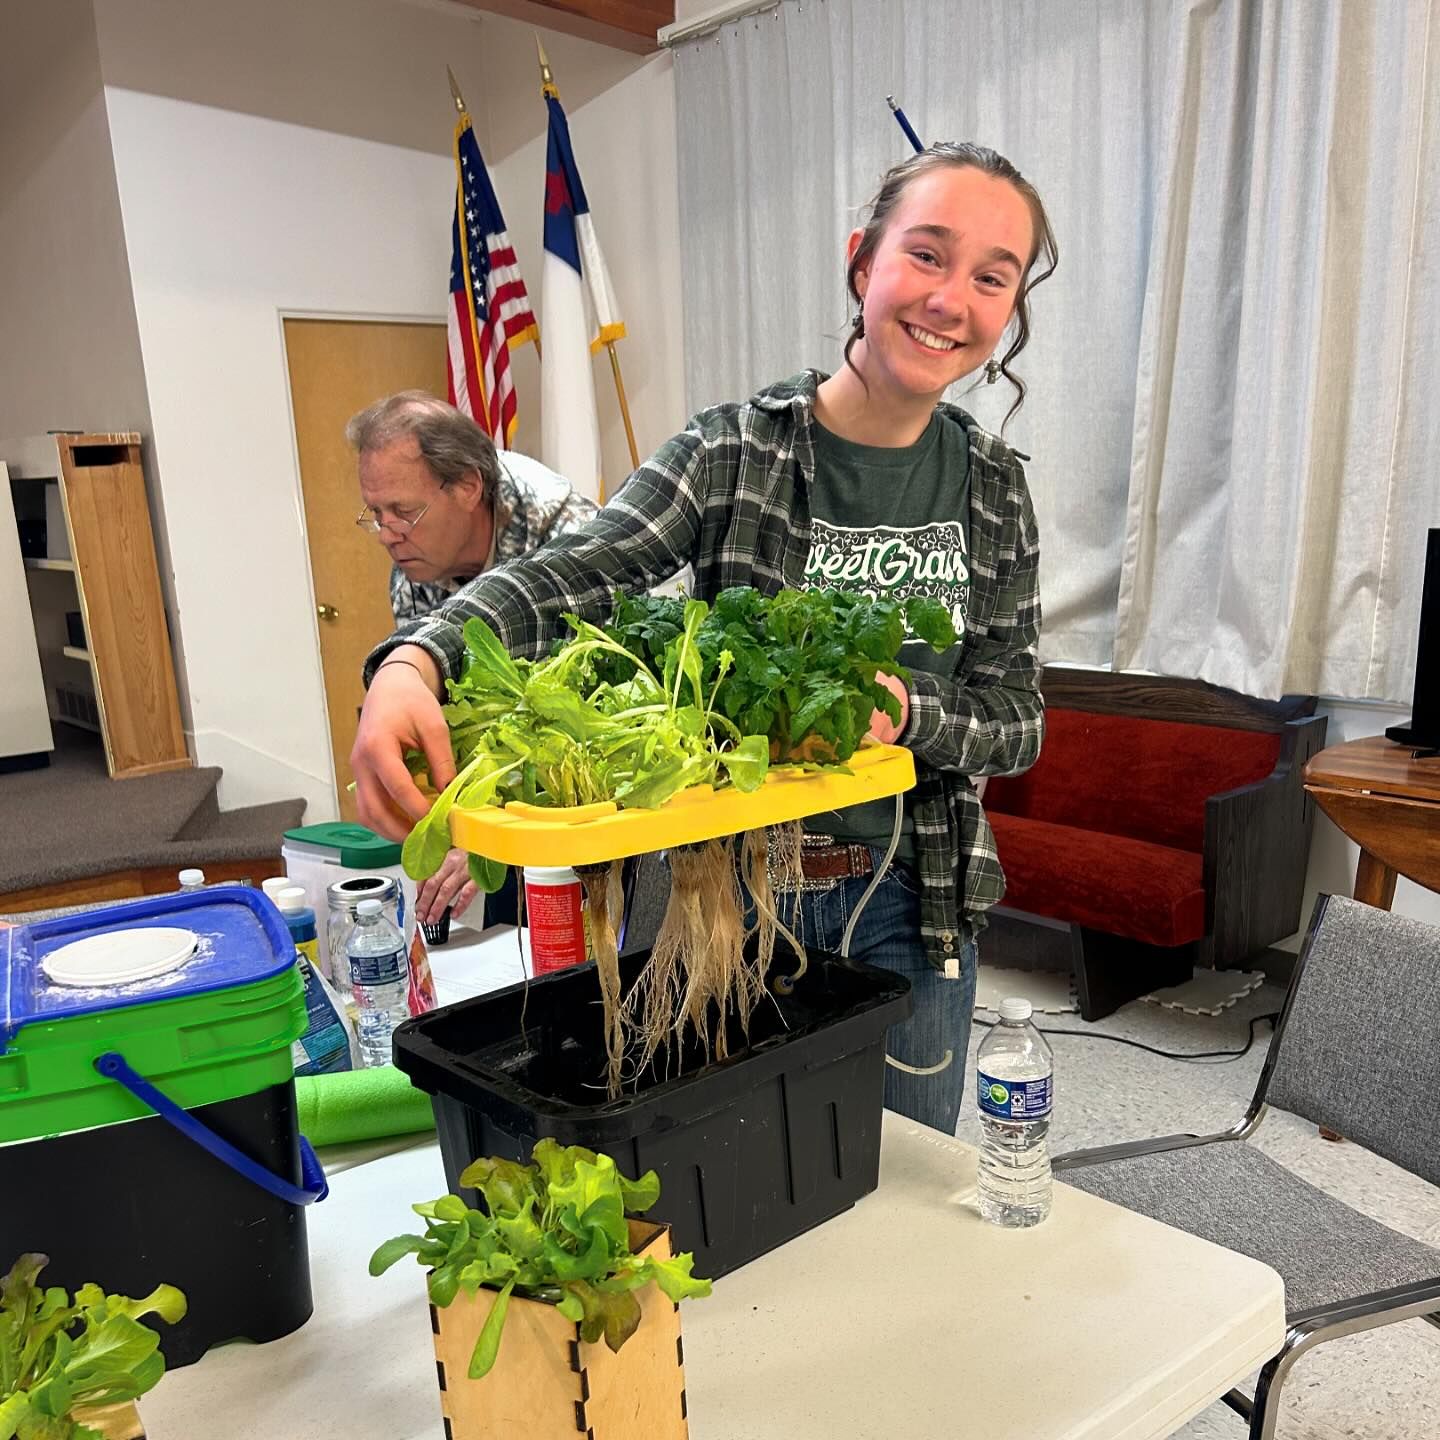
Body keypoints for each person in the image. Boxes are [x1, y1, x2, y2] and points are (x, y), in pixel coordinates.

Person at [350, 143, 1056, 1136]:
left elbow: (1016, 722)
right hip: (719, 897)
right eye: (927, 255)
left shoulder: (993, 486)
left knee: (893, 1191)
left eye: (994, 276)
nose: (952, 298)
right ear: (863, 262)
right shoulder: (736, 451)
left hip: (910, 902)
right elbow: (578, 568)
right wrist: (418, 658)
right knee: (699, 1167)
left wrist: (910, 715)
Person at [347, 391, 596, 925]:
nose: (388, 535)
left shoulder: (567, 532)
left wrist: (490, 826)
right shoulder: (412, 567)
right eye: (376, 513)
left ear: (467, 487)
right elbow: (450, 713)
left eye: (404, 512)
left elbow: (591, 715)